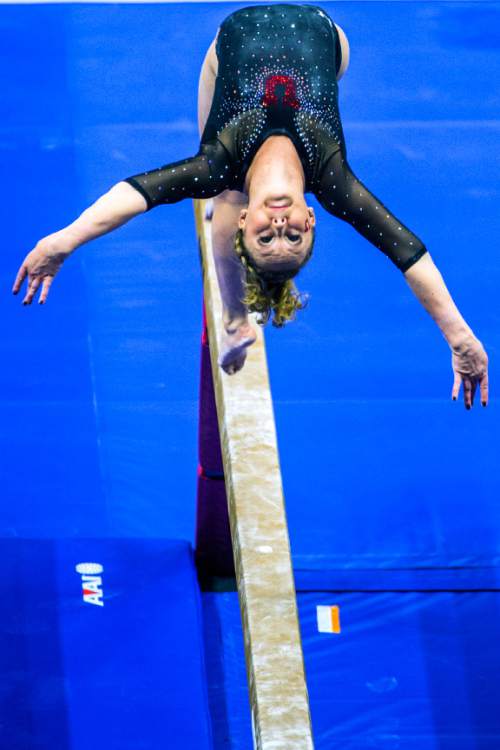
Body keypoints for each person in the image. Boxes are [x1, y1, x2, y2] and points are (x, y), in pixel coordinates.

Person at [12, 4, 488, 408]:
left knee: (215, 187)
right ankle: (237, 314)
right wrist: (460, 338)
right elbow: (408, 253)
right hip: (326, 34)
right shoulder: (333, 179)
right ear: (311, 219)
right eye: (292, 235)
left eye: (266, 235)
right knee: (221, 189)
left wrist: (62, 241)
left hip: (233, 38)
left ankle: (236, 317)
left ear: (248, 223)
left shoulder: (217, 164)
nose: (279, 223)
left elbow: (136, 195)